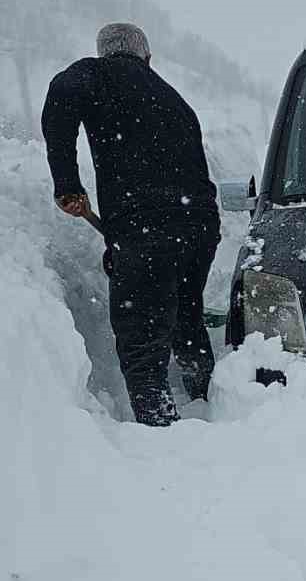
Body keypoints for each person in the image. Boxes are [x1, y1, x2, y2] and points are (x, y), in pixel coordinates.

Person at [42, 23, 220, 426]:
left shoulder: (96, 74)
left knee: (140, 334)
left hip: (146, 227)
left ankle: (160, 432)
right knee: (185, 312)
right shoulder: (173, 98)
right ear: (148, 58)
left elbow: (62, 93)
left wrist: (67, 183)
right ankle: (208, 398)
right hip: (199, 224)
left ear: (105, 54)